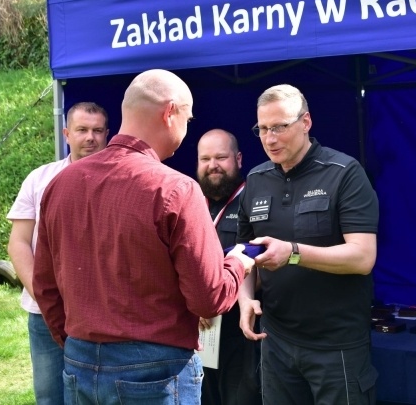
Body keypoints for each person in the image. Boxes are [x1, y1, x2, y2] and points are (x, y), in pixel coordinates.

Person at [33, 69, 255, 405]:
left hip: (80, 359)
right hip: (157, 371)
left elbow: (45, 285)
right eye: (187, 117)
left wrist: (79, 345)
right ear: (169, 113)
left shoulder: (60, 184)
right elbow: (209, 299)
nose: (185, 129)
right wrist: (238, 263)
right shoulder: (177, 189)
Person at [236, 84, 380, 405]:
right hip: (276, 340)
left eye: (280, 127)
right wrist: (244, 298)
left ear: (306, 122)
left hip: (336, 345)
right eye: (262, 129)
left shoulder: (344, 173)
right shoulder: (256, 179)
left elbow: (363, 256)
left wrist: (293, 253)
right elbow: (247, 250)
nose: (270, 139)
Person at [7, 101, 109, 405]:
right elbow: (18, 243)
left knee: (98, 397)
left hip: (102, 314)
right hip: (46, 314)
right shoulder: (39, 179)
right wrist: (44, 296)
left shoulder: (120, 181)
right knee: (50, 397)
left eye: (97, 130)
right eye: (81, 130)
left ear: (107, 134)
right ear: (66, 133)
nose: (89, 137)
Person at [196, 129, 262, 405]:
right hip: (199, 331)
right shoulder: (191, 202)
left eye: (221, 157)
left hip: (239, 332)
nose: (213, 165)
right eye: (205, 158)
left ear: (238, 159)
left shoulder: (254, 202)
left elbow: (261, 260)